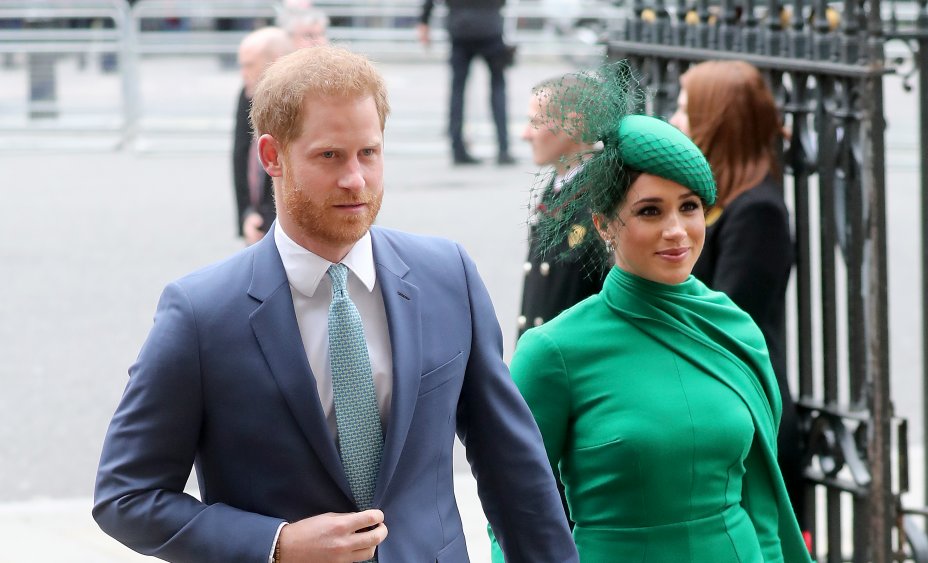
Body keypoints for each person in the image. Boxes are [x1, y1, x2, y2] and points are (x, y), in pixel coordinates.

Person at [94, 45, 578, 563]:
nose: (356, 179)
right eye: (330, 156)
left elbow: (513, 465)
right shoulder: (199, 313)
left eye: (368, 153)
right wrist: (275, 544)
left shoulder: (447, 275)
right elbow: (126, 495)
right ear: (271, 157)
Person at [492, 64, 811, 562]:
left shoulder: (733, 327)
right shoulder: (554, 351)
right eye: (649, 211)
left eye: (688, 207)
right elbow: (514, 512)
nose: (677, 231)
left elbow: (763, 504)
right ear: (604, 224)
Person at [670, 59, 809, 546]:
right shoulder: (714, 199)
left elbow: (723, 319)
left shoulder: (759, 210)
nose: (675, 120)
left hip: (744, 410)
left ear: (718, 119)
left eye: (686, 109)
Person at [517, 74, 607, 338]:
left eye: (535, 122)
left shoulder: (598, 199)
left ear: (572, 125)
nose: (525, 135)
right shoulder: (559, 186)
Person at [417, 0, 515, 166]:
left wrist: (424, 21)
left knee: (457, 92)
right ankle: (503, 149)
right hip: (490, 27)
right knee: (498, 88)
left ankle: (457, 149)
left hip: (460, 29)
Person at [232, 26, 294, 245]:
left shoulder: (301, 101)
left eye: (249, 65)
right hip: (258, 220)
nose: (243, 72)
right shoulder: (247, 92)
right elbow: (240, 157)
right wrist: (246, 214)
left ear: (274, 62)